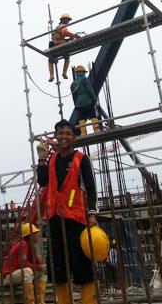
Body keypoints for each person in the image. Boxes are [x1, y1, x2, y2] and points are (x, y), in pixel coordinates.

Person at [36, 119, 98, 304]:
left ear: (74, 138)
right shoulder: (52, 159)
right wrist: (42, 158)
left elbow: (91, 188)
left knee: (83, 266)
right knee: (59, 268)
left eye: (68, 134)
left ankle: (89, 301)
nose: (64, 137)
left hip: (77, 220)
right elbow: (43, 182)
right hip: (55, 219)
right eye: (60, 133)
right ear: (55, 136)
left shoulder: (82, 159)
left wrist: (92, 213)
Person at [1, 223, 47, 304]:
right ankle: (30, 302)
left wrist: (43, 267)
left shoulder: (31, 247)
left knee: (43, 273)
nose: (38, 235)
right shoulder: (23, 244)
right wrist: (40, 267)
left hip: (18, 275)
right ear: (30, 235)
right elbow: (23, 264)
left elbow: (38, 262)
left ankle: (41, 301)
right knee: (28, 271)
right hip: (8, 277)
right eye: (35, 233)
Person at [48, 14, 78, 82]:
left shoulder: (57, 27)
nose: (68, 21)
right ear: (62, 20)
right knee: (67, 57)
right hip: (60, 44)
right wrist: (73, 35)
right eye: (67, 19)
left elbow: (59, 36)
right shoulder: (62, 26)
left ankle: (51, 75)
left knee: (51, 60)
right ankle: (64, 73)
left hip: (54, 44)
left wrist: (71, 38)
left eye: (68, 20)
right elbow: (65, 32)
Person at [71, 65, 99, 135]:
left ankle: (84, 133)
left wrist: (76, 105)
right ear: (83, 72)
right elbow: (90, 91)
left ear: (76, 73)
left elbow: (74, 97)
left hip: (79, 103)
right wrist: (95, 100)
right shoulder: (85, 80)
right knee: (92, 115)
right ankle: (96, 130)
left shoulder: (73, 84)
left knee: (82, 118)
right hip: (88, 102)